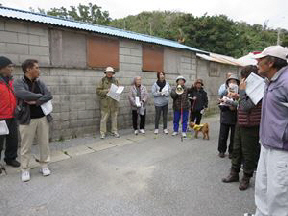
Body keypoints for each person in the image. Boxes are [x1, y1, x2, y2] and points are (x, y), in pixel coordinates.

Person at [248, 46, 288, 216]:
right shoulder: (268, 80)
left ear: (271, 62)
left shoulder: (286, 82)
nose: (256, 62)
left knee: (278, 194)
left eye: (260, 59)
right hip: (266, 144)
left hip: (281, 149)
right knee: (262, 187)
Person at [222, 65, 261, 191]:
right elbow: (242, 104)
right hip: (241, 121)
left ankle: (246, 177)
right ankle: (234, 173)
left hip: (251, 125)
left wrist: (242, 92)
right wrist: (231, 100)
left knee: (248, 152)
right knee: (236, 148)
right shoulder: (248, 87)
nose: (242, 80)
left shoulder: (259, 88)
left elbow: (246, 106)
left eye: (243, 77)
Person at [13, 59, 53, 182]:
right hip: (27, 119)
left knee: (44, 143)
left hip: (42, 118)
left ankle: (44, 165)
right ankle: (25, 169)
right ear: (28, 69)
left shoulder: (40, 83)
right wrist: (41, 97)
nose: (38, 70)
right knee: (26, 146)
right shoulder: (19, 82)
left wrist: (35, 101)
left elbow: (49, 95)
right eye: (36, 68)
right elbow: (22, 94)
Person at [0, 56, 20, 171]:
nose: (11, 69)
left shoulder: (11, 80)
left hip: (12, 115)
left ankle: (10, 158)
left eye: (12, 66)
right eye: (9, 66)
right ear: (1, 68)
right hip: (1, 117)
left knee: (13, 140)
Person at [217, 74, 239, 158]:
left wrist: (234, 107)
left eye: (234, 81)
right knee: (223, 136)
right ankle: (221, 151)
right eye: (230, 81)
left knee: (234, 137)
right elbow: (220, 104)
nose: (232, 83)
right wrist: (228, 107)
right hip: (225, 116)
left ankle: (231, 152)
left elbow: (242, 105)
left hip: (235, 117)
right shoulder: (224, 92)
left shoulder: (239, 93)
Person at [96, 67, 120, 139]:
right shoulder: (102, 80)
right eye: (108, 72)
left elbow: (118, 89)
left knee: (114, 118)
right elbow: (98, 91)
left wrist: (118, 91)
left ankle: (114, 131)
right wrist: (107, 91)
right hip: (105, 104)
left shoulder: (116, 80)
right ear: (105, 73)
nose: (109, 73)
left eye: (111, 72)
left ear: (113, 73)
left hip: (114, 103)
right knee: (103, 119)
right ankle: (102, 133)